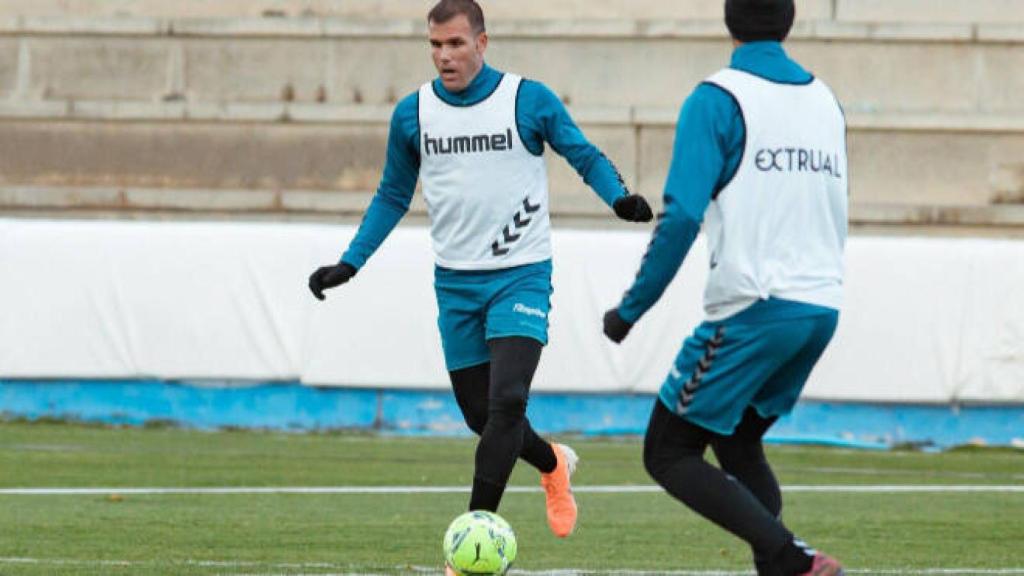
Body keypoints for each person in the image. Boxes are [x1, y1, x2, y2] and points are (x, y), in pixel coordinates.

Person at [307, 0, 653, 563]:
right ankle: (553, 464)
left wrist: (618, 197)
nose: (445, 56)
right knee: (481, 418)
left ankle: (472, 546)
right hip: (457, 285)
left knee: (507, 401)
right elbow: (393, 194)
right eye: (435, 46)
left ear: (483, 43)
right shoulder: (413, 114)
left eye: (456, 44)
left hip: (520, 276)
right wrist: (351, 262)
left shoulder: (526, 99)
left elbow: (582, 154)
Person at [601, 1, 848, 575]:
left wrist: (630, 310)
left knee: (668, 451)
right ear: (788, 21)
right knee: (736, 440)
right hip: (820, 305)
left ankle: (792, 560)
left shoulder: (718, 98)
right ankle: (785, 564)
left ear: (729, 20)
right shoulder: (825, 101)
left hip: (754, 308)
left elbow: (682, 215)